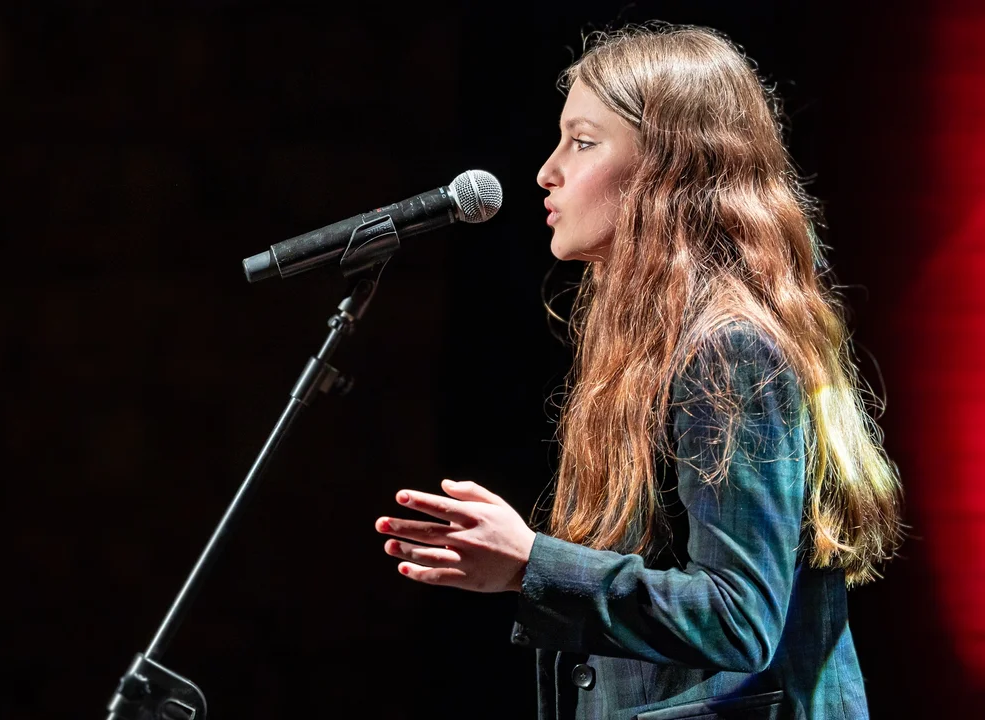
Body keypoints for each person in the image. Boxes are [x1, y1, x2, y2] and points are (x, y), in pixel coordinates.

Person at [374, 23, 903, 720]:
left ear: (668, 168)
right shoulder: (648, 340)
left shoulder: (729, 348)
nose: (547, 171)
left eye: (583, 142)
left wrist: (532, 563)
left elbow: (738, 617)